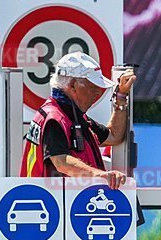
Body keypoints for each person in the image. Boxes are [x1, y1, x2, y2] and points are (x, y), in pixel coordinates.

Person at [20, 52, 136, 190]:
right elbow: (62, 162)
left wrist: (121, 96)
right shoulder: (54, 118)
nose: (97, 93)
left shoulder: (71, 115)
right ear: (73, 86)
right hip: (48, 205)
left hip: (60, 204)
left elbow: (113, 136)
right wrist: (101, 175)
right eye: (92, 87)